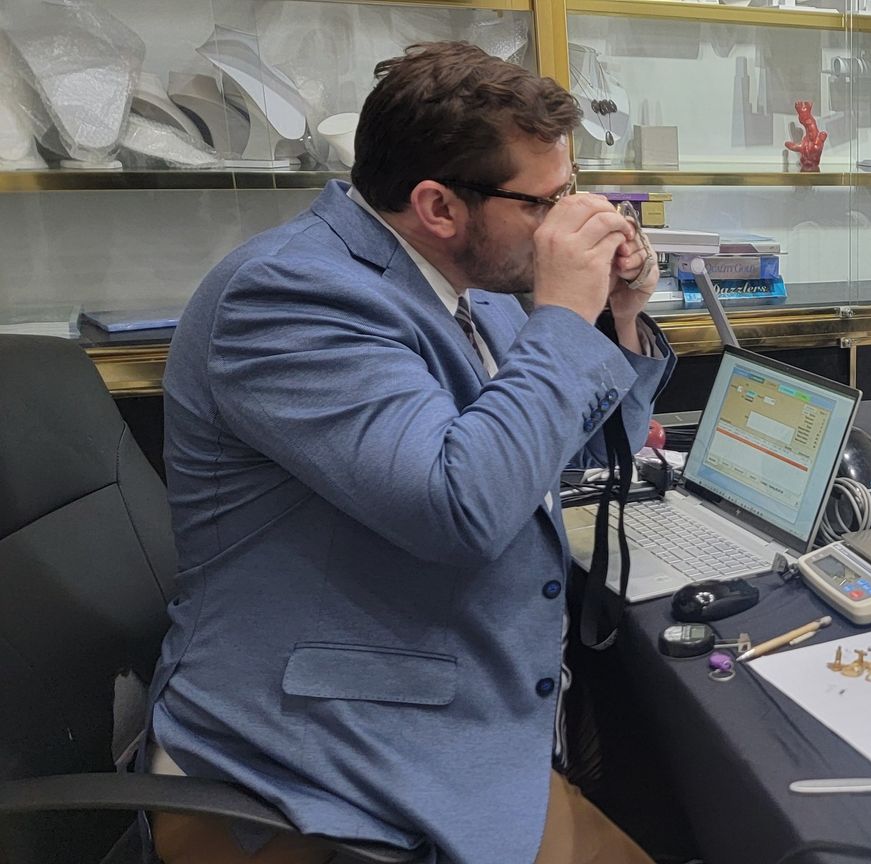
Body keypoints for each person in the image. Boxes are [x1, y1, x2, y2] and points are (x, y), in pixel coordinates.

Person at [144, 43, 669, 864]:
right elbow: (457, 509)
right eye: (546, 202)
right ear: (438, 205)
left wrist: (620, 318)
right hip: (322, 763)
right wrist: (565, 315)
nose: (572, 221)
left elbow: (556, 462)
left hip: (462, 712)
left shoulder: (475, 292)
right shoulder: (287, 296)